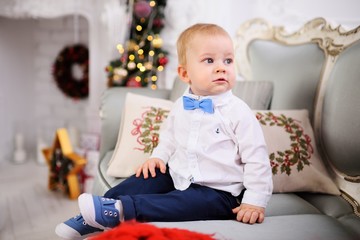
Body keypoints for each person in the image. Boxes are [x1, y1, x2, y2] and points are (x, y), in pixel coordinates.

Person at [55, 23, 273, 240]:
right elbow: (169, 138)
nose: (221, 67)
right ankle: (98, 210)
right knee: (141, 180)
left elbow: (257, 159)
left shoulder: (238, 112)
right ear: (185, 74)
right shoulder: (180, 105)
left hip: (218, 192)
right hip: (177, 174)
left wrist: (254, 201)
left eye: (228, 60)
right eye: (209, 60)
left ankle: (120, 211)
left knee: (180, 205)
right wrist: (158, 157)